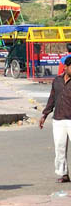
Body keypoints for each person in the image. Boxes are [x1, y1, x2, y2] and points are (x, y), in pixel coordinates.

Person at [39, 55, 71, 183]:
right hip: (58, 119)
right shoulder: (57, 81)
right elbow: (52, 99)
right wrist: (44, 114)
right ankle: (63, 174)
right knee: (60, 147)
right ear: (66, 67)